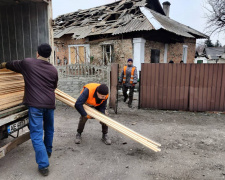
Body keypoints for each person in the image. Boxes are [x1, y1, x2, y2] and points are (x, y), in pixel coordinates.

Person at [0, 43, 58, 176]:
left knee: (36, 134)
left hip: (36, 106)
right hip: (50, 104)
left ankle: (43, 165)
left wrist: (2, 65)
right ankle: (47, 151)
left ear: (37, 53)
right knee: (49, 129)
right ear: (49, 55)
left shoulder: (28, 63)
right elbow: (54, 86)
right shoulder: (53, 70)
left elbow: (11, 64)